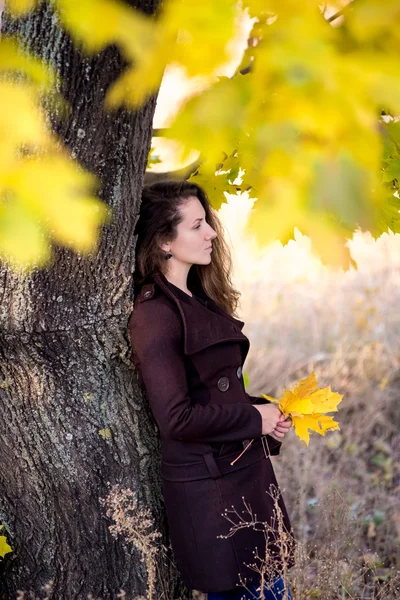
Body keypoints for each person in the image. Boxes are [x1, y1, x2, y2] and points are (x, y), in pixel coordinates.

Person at [129, 180, 295, 599]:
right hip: (214, 495)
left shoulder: (197, 299)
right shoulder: (155, 315)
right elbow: (177, 418)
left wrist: (265, 417)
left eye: (209, 223)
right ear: (165, 240)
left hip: (243, 480)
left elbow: (216, 394)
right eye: (197, 225)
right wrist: (254, 417)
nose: (212, 234)